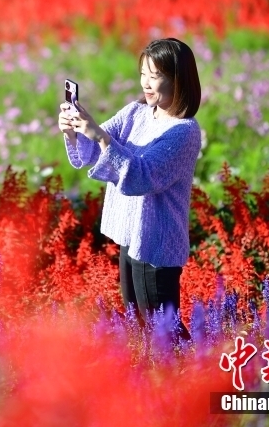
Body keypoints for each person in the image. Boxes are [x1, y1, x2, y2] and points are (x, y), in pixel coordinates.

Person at [58, 37, 202, 339]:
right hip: (132, 235)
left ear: (178, 79)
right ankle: (158, 385)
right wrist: (74, 130)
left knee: (166, 335)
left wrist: (99, 136)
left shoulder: (183, 132)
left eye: (155, 76)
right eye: (143, 74)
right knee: (140, 327)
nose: (146, 83)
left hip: (157, 245)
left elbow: (141, 176)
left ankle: (193, 377)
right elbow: (94, 151)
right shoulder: (136, 112)